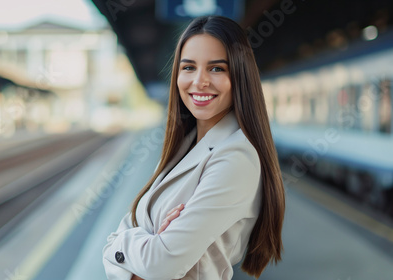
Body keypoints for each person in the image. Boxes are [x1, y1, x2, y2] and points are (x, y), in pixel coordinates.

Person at [102, 15, 285, 280]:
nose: (199, 81)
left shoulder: (236, 158)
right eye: (188, 67)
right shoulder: (183, 147)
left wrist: (133, 246)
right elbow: (122, 235)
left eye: (216, 68)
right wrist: (148, 244)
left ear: (240, 76)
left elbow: (159, 265)